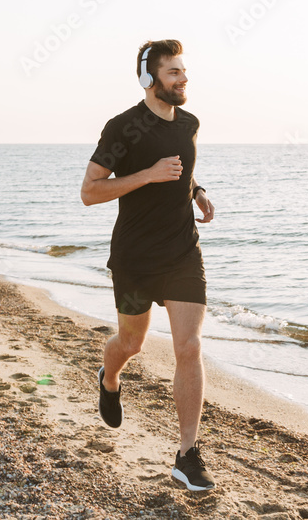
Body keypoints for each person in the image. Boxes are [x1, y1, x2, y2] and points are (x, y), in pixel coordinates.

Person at [80, 39, 217, 491]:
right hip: (135, 260)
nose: (183, 79)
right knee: (131, 343)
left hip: (182, 253)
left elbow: (183, 166)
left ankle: (187, 456)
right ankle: (110, 375)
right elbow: (91, 190)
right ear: (149, 77)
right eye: (173, 72)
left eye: (184, 71)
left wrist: (195, 191)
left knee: (189, 348)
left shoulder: (190, 123)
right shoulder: (123, 128)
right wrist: (147, 175)